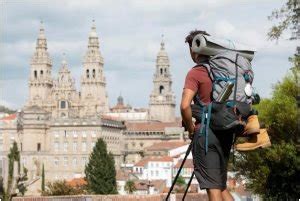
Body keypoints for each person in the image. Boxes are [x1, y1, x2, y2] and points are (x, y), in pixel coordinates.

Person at [180, 30, 234, 201]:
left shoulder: (196, 73)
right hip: (226, 131)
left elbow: (184, 106)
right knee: (221, 186)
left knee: (213, 189)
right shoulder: (224, 70)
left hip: (206, 135)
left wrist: (190, 128)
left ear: (194, 49)